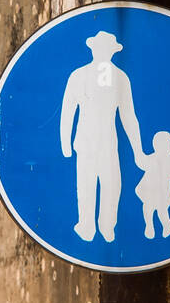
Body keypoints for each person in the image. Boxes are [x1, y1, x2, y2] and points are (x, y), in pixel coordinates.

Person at [59, 30, 145, 243]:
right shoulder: (78, 75)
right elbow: (67, 111)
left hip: (108, 142)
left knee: (112, 185)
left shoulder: (121, 78)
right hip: (85, 142)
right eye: (100, 48)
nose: (103, 52)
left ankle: (107, 226)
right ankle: (86, 225)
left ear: (112, 52)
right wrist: (65, 144)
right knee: (86, 185)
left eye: (107, 49)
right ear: (93, 49)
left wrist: (138, 151)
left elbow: (128, 116)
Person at [135, 131, 170, 239]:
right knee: (147, 210)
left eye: (167, 145)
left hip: (163, 194)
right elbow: (142, 163)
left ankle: (167, 225)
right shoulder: (152, 158)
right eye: (159, 145)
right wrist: (137, 152)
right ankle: (149, 226)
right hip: (149, 192)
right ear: (154, 146)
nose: (163, 148)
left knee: (162, 213)